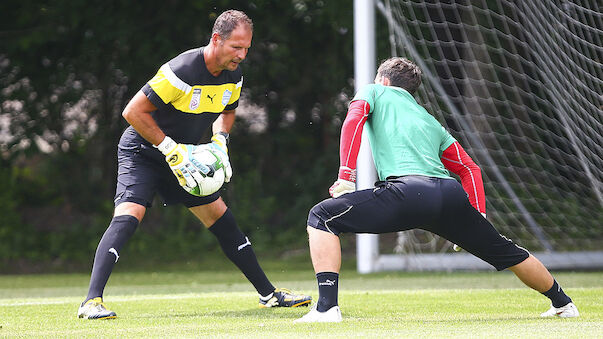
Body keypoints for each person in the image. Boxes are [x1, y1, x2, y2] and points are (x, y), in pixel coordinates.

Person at [295, 57, 579, 323]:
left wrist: (347, 175)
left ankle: (326, 308)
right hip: (449, 195)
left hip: (408, 193)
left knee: (321, 218)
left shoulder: (373, 91)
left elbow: (353, 121)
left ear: (382, 80)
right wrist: (477, 213)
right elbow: (470, 169)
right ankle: (563, 303)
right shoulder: (429, 120)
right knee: (508, 252)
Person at [77, 10, 311, 320]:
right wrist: (168, 148)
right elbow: (132, 112)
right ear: (217, 40)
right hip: (143, 152)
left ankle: (270, 295)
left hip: (184, 158)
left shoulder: (233, 75)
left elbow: (228, 110)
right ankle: (91, 301)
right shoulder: (182, 69)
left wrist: (220, 141)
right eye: (235, 47)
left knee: (220, 216)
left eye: (246, 49)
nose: (241, 55)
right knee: (130, 214)